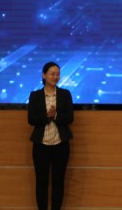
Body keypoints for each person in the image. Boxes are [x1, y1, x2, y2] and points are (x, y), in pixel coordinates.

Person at [28, 61, 74, 210]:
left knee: (58, 182)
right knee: (41, 182)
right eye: (52, 74)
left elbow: (70, 118)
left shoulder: (65, 94)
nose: (56, 77)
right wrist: (47, 116)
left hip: (61, 145)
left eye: (58, 74)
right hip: (41, 145)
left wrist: (56, 115)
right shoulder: (35, 95)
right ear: (44, 75)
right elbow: (31, 119)